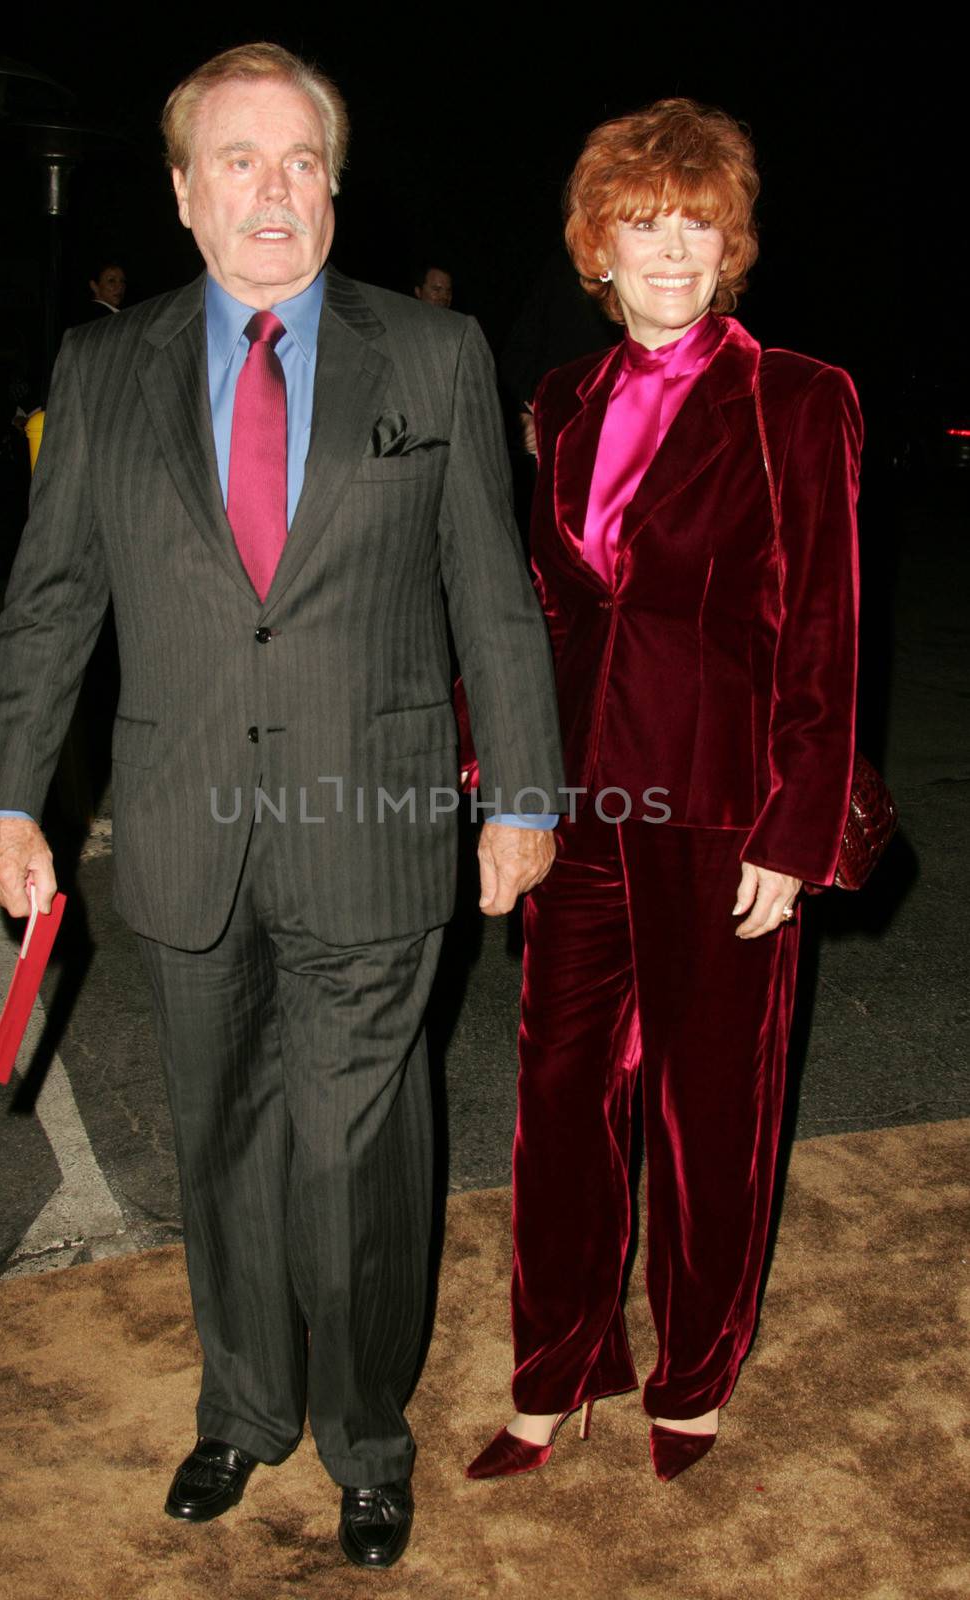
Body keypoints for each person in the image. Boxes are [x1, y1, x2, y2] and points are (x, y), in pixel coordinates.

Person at [0, 42, 564, 1568]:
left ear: (336, 186)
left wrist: (526, 796)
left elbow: (496, 599)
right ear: (181, 194)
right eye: (237, 160)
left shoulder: (432, 357)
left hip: (372, 827)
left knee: (355, 1152)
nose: (272, 189)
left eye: (300, 160)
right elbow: (49, 608)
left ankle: (366, 1436)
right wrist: (2, 798)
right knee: (222, 1136)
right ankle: (241, 1409)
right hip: (182, 832)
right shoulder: (104, 368)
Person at [465, 98, 860, 1485]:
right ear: (599, 245)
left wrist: (799, 822)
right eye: (645, 222)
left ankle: (695, 1369)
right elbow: (533, 614)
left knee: (712, 1112)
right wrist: (497, 781)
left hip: (723, 810)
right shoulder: (562, 403)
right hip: (577, 810)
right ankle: (558, 1368)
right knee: (559, 1101)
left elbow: (827, 621)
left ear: (732, 242)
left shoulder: (799, 398)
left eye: (699, 221)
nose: (673, 248)